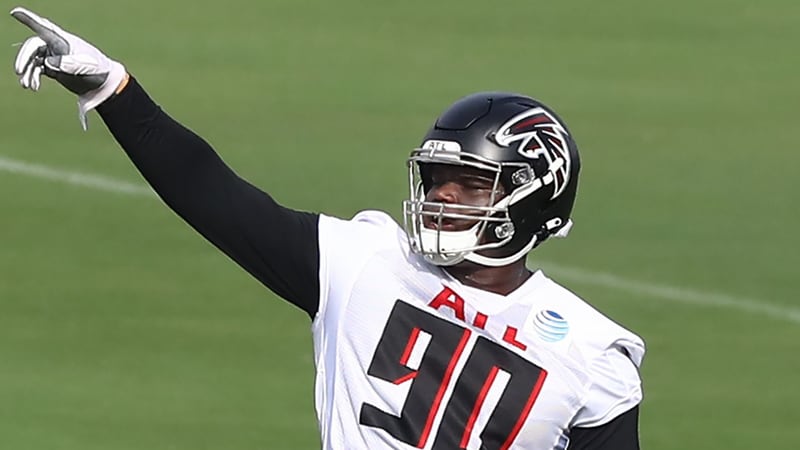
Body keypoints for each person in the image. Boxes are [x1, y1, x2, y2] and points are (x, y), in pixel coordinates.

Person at [10, 6, 646, 450]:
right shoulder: (363, 261)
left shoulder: (595, 357)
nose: (444, 197)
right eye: (434, 180)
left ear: (537, 198)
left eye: (473, 183)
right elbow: (214, 197)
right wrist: (116, 90)